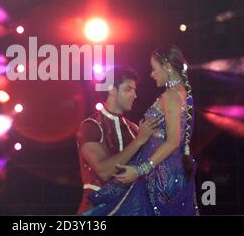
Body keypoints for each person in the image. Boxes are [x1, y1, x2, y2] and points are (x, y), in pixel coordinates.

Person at [84, 45, 199, 216]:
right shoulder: (180, 94)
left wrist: (140, 170)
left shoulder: (171, 96)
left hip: (161, 177)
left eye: (154, 69)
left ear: (167, 66)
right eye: (129, 89)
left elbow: (174, 141)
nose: (152, 74)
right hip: (165, 173)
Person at [76, 67, 160, 215]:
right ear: (112, 90)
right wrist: (139, 140)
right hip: (96, 209)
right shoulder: (90, 126)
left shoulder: (134, 129)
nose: (134, 95)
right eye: (128, 89)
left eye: (134, 90)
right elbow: (104, 171)